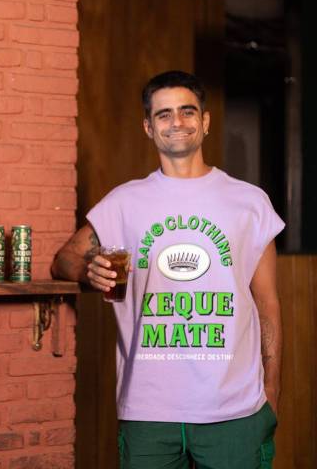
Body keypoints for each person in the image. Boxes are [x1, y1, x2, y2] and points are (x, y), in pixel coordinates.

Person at [52, 70, 283, 468]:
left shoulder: (250, 203)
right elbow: (63, 260)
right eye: (164, 115)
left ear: (205, 122)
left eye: (187, 111)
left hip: (234, 410)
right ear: (148, 126)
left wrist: (272, 389)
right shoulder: (124, 202)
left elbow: (268, 307)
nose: (176, 122)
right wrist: (90, 268)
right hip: (147, 410)